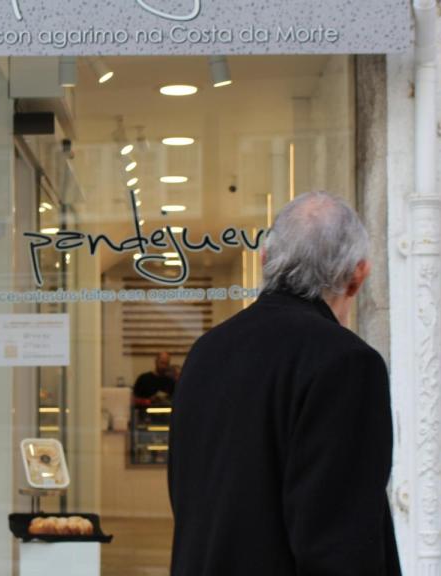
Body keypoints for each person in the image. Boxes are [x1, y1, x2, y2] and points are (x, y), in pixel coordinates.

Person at [168, 192, 400, 575]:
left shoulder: (206, 351)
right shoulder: (347, 362)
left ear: (264, 261)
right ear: (358, 276)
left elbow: (189, 500)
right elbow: (340, 542)